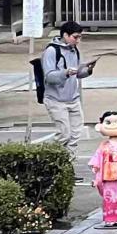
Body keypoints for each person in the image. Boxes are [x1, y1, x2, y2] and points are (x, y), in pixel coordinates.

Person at [41, 21, 99, 152]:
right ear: (65, 35)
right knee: (64, 134)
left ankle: (68, 163)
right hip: (55, 99)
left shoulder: (75, 51)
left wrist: (88, 70)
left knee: (75, 135)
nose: (78, 40)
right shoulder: (51, 51)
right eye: (75, 37)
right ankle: (45, 156)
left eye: (80, 37)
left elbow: (77, 74)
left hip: (73, 99)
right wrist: (65, 73)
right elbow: (49, 77)